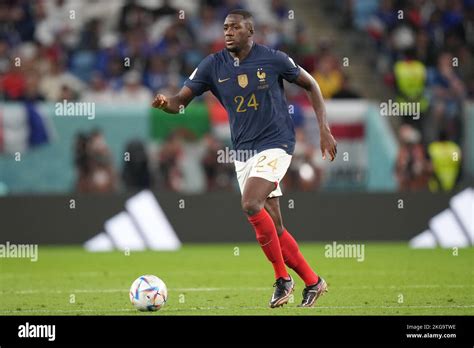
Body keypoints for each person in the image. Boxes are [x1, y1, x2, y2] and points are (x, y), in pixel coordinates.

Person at [152, 10, 337, 308]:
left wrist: (324, 130)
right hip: (243, 152)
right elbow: (180, 102)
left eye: (235, 27)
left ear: (250, 31)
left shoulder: (273, 59)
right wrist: (165, 104)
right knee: (275, 228)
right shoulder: (213, 65)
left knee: (251, 203)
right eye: (225, 27)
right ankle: (314, 282)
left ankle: (282, 280)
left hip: (277, 143)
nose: (227, 32)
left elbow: (312, 84)